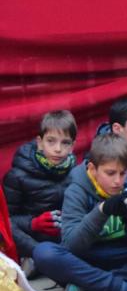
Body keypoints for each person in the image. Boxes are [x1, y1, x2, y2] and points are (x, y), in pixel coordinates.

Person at [32, 134, 127, 291]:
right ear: (93, 169)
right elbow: (72, 245)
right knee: (44, 253)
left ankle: (91, 290)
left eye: (122, 173)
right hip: (88, 261)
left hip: (125, 259)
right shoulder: (76, 190)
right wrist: (102, 211)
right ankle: (126, 289)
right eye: (110, 173)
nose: (117, 181)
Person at [3, 111, 77, 269]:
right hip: (32, 240)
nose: (58, 149)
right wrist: (33, 224)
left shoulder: (77, 172)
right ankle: (38, 257)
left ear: (72, 146)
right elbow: (6, 221)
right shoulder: (17, 176)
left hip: (66, 238)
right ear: (40, 142)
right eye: (51, 141)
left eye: (65, 143)